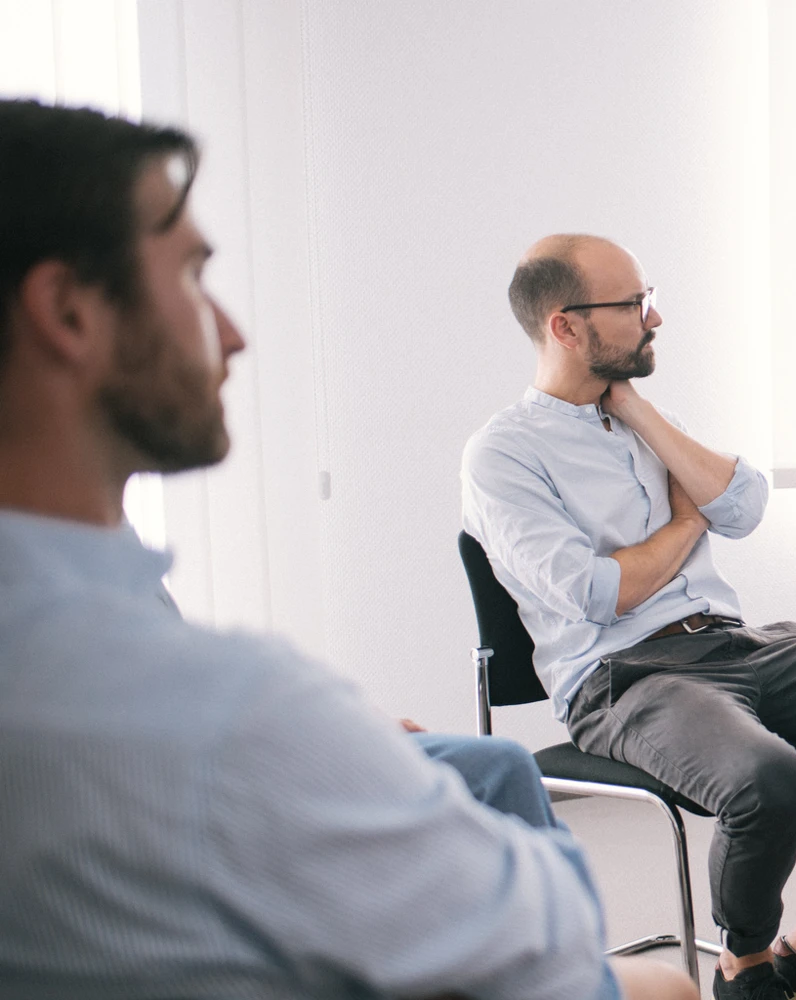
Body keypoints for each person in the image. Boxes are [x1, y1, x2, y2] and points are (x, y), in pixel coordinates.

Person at [0, 99, 692, 1000]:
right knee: (665, 989)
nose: (233, 332)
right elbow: (545, 939)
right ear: (68, 311)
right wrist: (336, 750)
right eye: (192, 278)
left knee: (494, 768)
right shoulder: (237, 712)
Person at [462, 233, 796, 1000]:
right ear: (566, 326)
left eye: (649, 299)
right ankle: (745, 967)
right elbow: (597, 592)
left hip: (739, 645)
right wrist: (688, 522)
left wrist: (638, 411)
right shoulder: (502, 453)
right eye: (633, 305)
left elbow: (747, 505)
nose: (654, 318)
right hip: (624, 678)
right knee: (772, 782)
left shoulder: (646, 419)